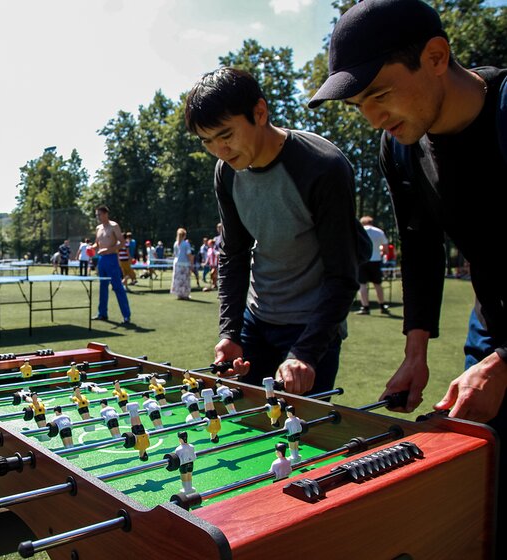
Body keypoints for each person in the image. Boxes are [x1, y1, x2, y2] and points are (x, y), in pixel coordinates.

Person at [309, 0, 507, 549]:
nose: (372, 116)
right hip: (491, 325)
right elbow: (419, 246)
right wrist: (415, 350)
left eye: (380, 94)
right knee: (479, 488)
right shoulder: (400, 148)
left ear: (437, 56)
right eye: (359, 104)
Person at [185, 67, 365, 396]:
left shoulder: (323, 165)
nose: (219, 150)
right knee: (247, 428)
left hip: (310, 327)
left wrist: (306, 353)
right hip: (256, 320)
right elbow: (234, 253)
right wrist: (229, 332)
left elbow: (343, 273)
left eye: (226, 135)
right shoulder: (226, 172)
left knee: (302, 441)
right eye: (207, 141)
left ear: (260, 112)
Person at [92, 205, 131, 324]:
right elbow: (97, 244)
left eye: (99, 214)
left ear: (105, 214)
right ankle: (102, 313)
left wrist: (109, 250)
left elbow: (122, 242)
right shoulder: (98, 228)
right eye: (97, 215)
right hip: (101, 259)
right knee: (103, 286)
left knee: (117, 287)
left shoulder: (114, 226)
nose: (98, 217)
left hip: (112, 258)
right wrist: (91, 248)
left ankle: (126, 315)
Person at [356, 216, 390, 315]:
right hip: (375, 261)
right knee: (378, 284)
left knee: (362, 285)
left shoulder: (359, 230)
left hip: (362, 261)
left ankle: (365, 307)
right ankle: (382, 306)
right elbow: (385, 249)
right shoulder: (379, 232)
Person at [170, 227, 194, 300]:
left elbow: (175, 254)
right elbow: (189, 255)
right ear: (185, 235)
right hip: (184, 264)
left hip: (177, 263)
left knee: (178, 280)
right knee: (185, 280)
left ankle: (179, 294)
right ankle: (185, 295)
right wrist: (192, 264)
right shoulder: (186, 244)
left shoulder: (175, 243)